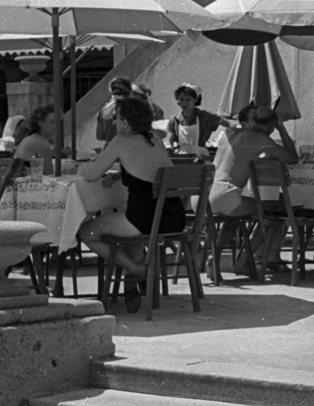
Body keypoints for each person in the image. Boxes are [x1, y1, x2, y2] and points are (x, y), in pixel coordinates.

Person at [78, 97, 185, 312]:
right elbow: (148, 169)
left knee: (86, 232)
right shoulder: (155, 139)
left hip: (143, 219)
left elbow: (91, 176)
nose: (115, 123)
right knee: (126, 233)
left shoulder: (120, 140)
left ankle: (136, 269)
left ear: (126, 122)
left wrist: (81, 168)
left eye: (117, 118)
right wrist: (120, 173)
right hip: (173, 217)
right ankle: (130, 278)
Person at [207, 105, 301, 275]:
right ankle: (244, 261)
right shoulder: (259, 138)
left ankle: (214, 258)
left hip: (204, 196)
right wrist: (282, 128)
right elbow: (293, 158)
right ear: (271, 127)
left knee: (233, 217)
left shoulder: (228, 133)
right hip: (225, 196)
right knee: (276, 214)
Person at [166, 84, 222, 157]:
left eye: (188, 99)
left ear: (195, 99)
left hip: (201, 158)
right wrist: (169, 147)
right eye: (182, 99)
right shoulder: (174, 120)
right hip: (181, 158)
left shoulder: (205, 116)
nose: (184, 103)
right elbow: (169, 140)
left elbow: (229, 124)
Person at [12, 105, 57, 171]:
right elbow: (48, 174)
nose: (57, 125)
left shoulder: (31, 138)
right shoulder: (42, 143)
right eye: (53, 122)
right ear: (41, 123)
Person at [95, 77, 135, 143]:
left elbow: (99, 136)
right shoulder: (132, 108)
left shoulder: (103, 110)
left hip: (109, 148)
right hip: (126, 147)